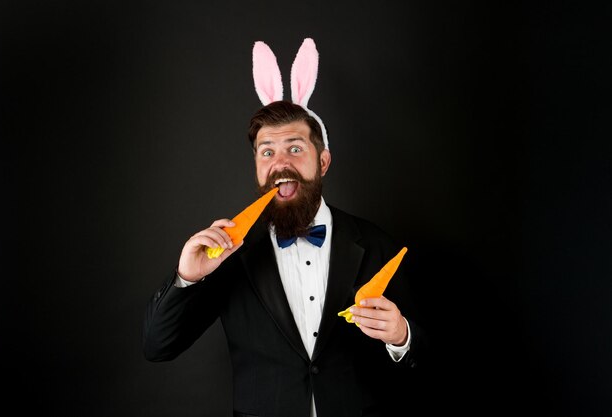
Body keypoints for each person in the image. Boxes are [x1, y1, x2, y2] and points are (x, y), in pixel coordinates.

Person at [143, 39, 428, 417]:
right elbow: (158, 346)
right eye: (267, 152)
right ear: (257, 166)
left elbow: (429, 368)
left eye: (295, 148)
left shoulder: (375, 244)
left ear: (322, 162)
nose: (280, 163)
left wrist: (401, 337)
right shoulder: (229, 253)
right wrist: (186, 277)